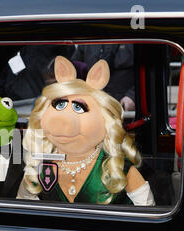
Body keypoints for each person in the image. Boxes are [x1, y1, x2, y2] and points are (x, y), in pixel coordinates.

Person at [17, 56, 154, 205]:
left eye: (79, 107)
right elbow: (23, 206)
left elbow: (147, 208)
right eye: (59, 105)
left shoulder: (116, 166)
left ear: (105, 120)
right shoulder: (41, 165)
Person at [71, 44, 136, 111]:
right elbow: (75, 70)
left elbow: (145, 71)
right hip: (92, 106)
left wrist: (132, 96)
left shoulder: (133, 39)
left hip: (123, 107)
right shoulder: (88, 40)